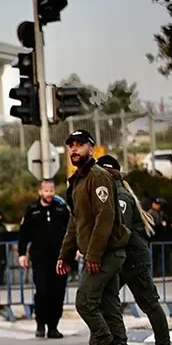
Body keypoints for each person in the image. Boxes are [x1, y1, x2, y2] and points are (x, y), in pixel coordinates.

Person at [56, 130, 130, 345]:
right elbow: (75, 221)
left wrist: (94, 255)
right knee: (109, 305)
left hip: (106, 253)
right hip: (99, 253)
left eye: (80, 144)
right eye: (71, 145)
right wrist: (65, 254)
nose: (74, 149)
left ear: (91, 148)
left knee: (85, 302)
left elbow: (105, 217)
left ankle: (104, 339)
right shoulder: (78, 181)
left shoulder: (97, 176)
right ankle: (117, 342)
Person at [96, 155, 170, 345]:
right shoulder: (109, 195)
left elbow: (120, 231)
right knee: (105, 302)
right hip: (119, 259)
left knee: (149, 303)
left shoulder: (121, 196)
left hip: (132, 260)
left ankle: (164, 342)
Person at [17, 179, 70, 338]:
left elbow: (72, 231)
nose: (49, 194)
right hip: (39, 259)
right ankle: (40, 323)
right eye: (46, 191)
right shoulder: (32, 211)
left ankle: (53, 326)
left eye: (51, 191)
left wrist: (74, 250)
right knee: (42, 291)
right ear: (40, 192)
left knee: (58, 292)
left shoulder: (61, 209)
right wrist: (22, 254)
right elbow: (23, 234)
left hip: (59, 259)